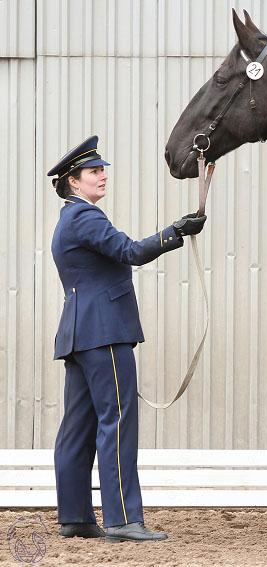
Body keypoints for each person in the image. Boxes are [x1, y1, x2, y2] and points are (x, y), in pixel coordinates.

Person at [48, 136, 206, 542]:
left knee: (78, 427)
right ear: (73, 182)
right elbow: (130, 252)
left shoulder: (69, 219)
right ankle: (122, 519)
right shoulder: (85, 217)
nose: (102, 175)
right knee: (117, 421)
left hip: (81, 335)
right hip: (104, 333)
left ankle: (76, 517)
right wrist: (176, 232)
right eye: (93, 171)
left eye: (102, 169)